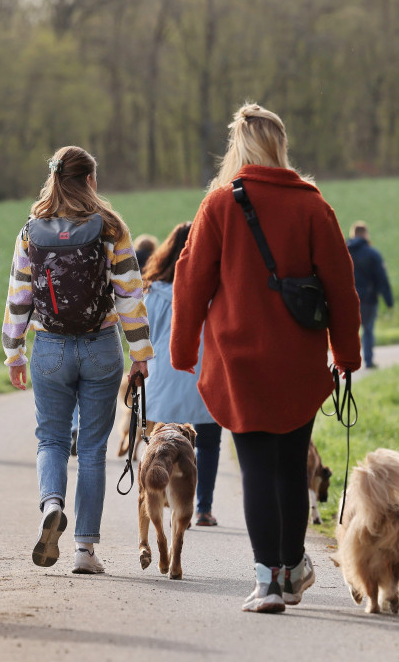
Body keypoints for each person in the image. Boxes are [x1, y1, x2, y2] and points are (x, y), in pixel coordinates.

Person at [170, 103, 360, 613]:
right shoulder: (313, 206)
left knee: (255, 465)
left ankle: (268, 581)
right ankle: (293, 567)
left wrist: (183, 350)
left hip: (239, 361)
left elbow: (190, 284)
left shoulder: (219, 205)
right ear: (280, 147)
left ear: (239, 147)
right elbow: (342, 289)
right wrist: (346, 355)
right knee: (289, 464)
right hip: (298, 358)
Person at [2, 145, 153, 575]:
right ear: (90, 180)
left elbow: (19, 295)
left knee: (51, 440)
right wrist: (140, 354)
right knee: (91, 448)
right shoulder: (110, 227)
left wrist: (14, 351)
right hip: (101, 345)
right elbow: (129, 294)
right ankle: (85, 551)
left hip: (49, 347)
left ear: (54, 178)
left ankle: (52, 504)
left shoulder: (32, 229)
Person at [141, 222, 222, 527]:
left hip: (164, 376)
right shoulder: (214, 291)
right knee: (209, 442)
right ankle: (202, 508)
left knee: (161, 441)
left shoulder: (153, 294)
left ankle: (158, 497)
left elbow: (143, 335)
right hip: (203, 374)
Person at [347, 221, 393, 369]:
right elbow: (382, 278)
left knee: (348, 331)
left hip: (347, 298)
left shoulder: (343, 251)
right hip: (368, 299)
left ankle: (346, 361)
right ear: (365, 234)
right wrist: (388, 300)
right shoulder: (372, 253)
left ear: (352, 234)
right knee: (368, 330)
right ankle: (367, 361)